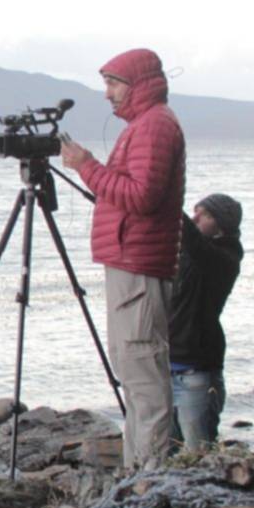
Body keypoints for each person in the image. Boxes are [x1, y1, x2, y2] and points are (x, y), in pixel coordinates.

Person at [61, 48, 186, 469]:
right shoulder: (147, 125)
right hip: (133, 261)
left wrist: (86, 166)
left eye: (114, 83)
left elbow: (141, 197)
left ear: (138, 84)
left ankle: (146, 481)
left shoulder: (153, 127)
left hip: (139, 265)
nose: (107, 93)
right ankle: (137, 477)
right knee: (134, 376)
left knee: (143, 377)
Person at [169, 194, 243, 450]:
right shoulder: (188, 253)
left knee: (198, 451)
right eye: (195, 211)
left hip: (196, 370)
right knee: (165, 447)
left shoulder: (224, 258)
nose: (196, 217)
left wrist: (166, 196)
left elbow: (195, 243)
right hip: (166, 364)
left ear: (222, 225)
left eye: (205, 215)